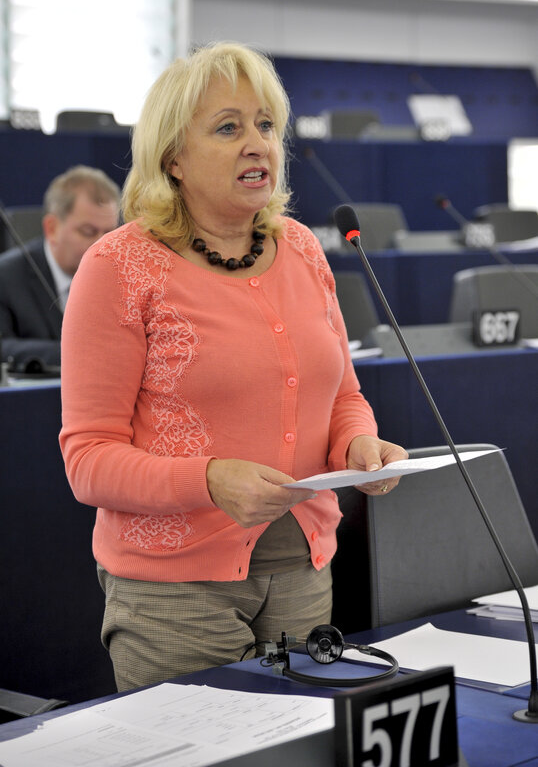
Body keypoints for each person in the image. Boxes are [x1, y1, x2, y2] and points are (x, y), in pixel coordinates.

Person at [59, 42, 407, 692]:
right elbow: (88, 459)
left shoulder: (302, 249)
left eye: (266, 125)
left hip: (304, 574)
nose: (257, 144)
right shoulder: (118, 267)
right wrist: (210, 480)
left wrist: (358, 442)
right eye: (228, 128)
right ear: (174, 159)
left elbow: (343, 396)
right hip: (174, 594)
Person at [0, 165, 120, 372]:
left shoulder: (126, 278)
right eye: (88, 232)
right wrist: (77, 352)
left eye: (110, 233)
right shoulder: (6, 276)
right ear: (52, 228)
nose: (103, 246)